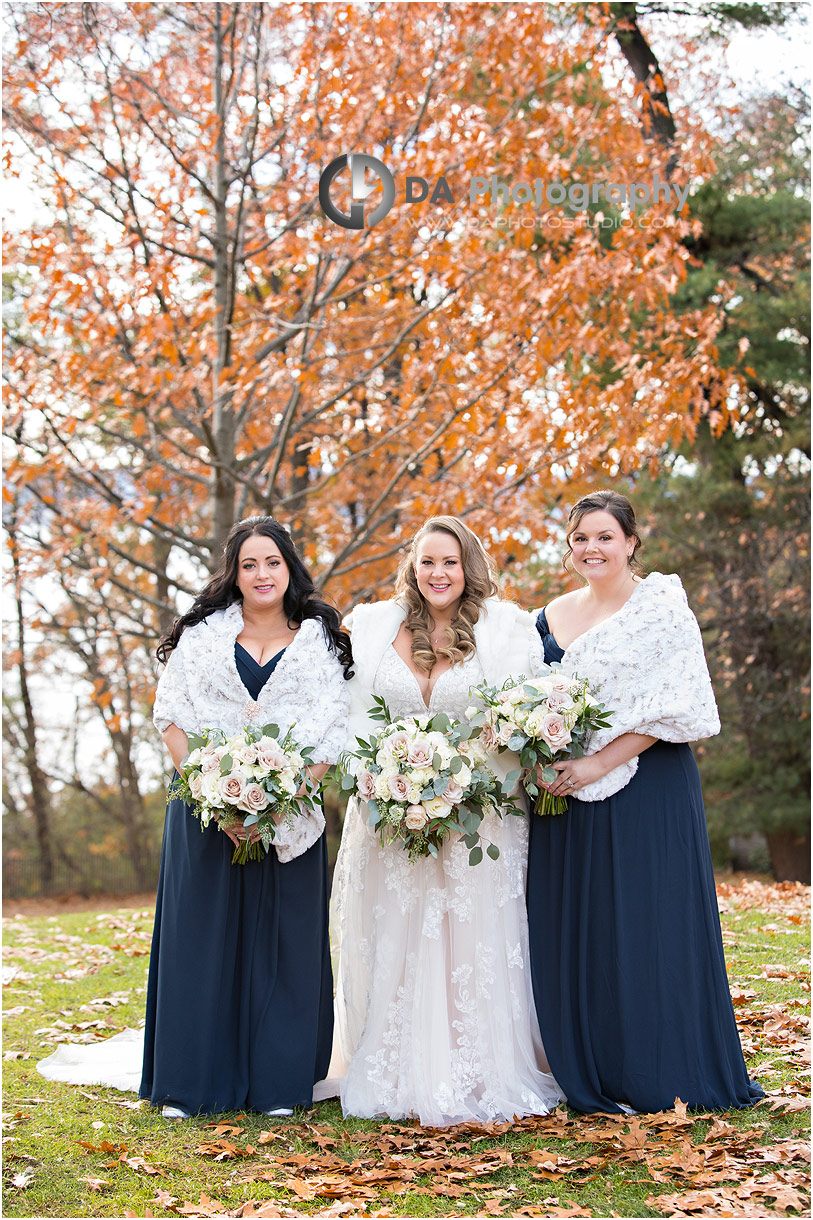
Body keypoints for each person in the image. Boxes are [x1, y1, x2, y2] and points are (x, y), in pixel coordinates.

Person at [39, 517, 352, 1118]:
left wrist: (277, 800)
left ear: (290, 568)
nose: (262, 574)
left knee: (283, 949)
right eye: (249, 564)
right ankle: (191, 1080)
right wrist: (217, 796)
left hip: (291, 819)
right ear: (233, 575)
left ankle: (278, 1085)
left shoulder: (321, 641)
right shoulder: (202, 636)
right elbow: (171, 718)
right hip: (206, 815)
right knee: (201, 943)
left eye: (272, 562)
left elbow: (331, 735)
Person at [526, 489, 763, 1114]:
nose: (592, 548)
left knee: (647, 925)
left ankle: (664, 1069)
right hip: (564, 796)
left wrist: (600, 761)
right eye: (580, 538)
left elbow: (679, 703)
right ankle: (592, 1064)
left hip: (647, 783)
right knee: (587, 926)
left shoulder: (661, 610)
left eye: (605, 537)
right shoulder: (546, 617)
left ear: (631, 542)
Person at [326, 516, 564, 1126]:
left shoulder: (505, 630)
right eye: (427, 561)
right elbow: (347, 713)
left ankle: (480, 1067)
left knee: (471, 933)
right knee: (402, 932)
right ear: (412, 565)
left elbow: (522, 713)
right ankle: (397, 1061)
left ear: (468, 569)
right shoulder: (375, 627)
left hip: (479, 817)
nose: (438, 573)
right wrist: (382, 778)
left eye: (450, 562)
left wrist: (464, 779)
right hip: (392, 812)